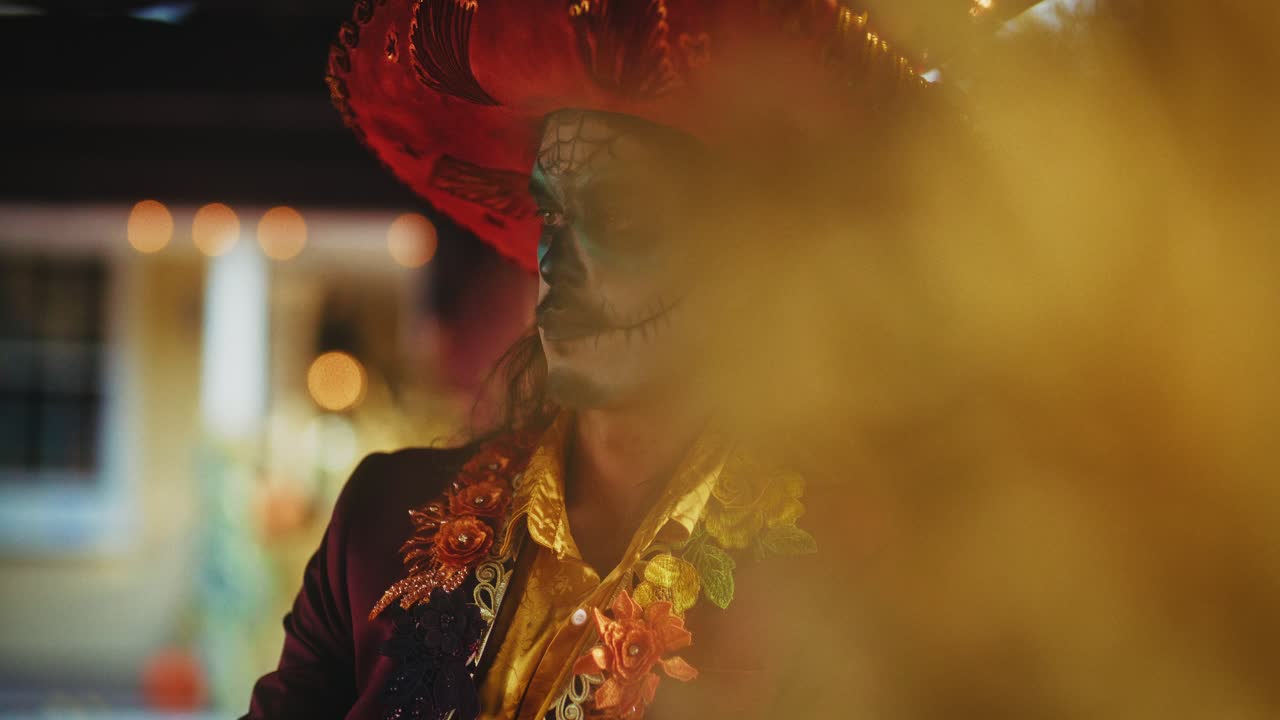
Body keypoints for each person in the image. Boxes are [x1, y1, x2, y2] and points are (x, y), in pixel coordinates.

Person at [245, 0, 1001, 718]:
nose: (556, 257)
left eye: (620, 212)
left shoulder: (853, 579)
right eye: (550, 211)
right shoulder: (381, 524)